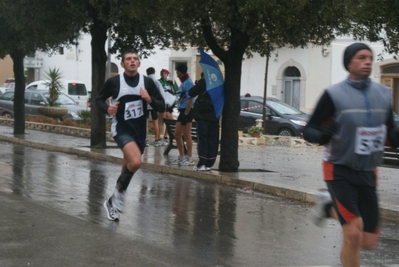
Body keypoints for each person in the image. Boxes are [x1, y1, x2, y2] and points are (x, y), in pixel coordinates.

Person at [303, 42, 399, 267]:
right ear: (348, 63)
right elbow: (309, 129)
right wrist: (322, 135)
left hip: (368, 172)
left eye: (370, 58)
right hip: (338, 169)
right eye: (361, 57)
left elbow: (389, 129)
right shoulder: (333, 95)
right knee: (353, 235)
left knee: (368, 241)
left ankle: (328, 206)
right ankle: (332, 204)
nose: (367, 61)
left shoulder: (384, 94)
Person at [96, 51, 165, 221]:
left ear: (139, 64)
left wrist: (149, 99)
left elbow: (162, 105)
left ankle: (113, 201)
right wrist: (107, 109)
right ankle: (118, 195)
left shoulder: (147, 82)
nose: (132, 61)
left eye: (135, 59)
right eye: (128, 59)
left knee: (127, 166)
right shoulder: (114, 82)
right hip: (121, 130)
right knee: (135, 162)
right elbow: (98, 99)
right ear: (122, 64)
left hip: (140, 133)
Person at [189, 72, 219, 171]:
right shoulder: (218, 83)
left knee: (202, 139)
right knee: (213, 139)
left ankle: (202, 163)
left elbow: (191, 92)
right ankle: (209, 163)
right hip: (215, 115)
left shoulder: (203, 82)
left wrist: (198, 83)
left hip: (203, 115)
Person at [171, 64, 195, 166]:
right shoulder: (182, 83)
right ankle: (182, 156)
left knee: (186, 134)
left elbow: (190, 98)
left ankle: (189, 157)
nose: (176, 73)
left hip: (187, 110)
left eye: (177, 71)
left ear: (181, 71)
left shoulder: (188, 82)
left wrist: (186, 113)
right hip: (181, 109)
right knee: (177, 134)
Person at [146, 67, 166, 147]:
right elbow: (162, 93)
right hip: (154, 104)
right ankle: (157, 139)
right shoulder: (157, 82)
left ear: (147, 73)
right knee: (155, 122)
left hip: (146, 104)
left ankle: (146, 140)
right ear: (154, 72)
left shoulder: (145, 81)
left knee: (145, 122)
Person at [158, 68, 177, 145]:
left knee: (170, 121)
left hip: (169, 104)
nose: (164, 75)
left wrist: (172, 84)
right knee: (161, 121)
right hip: (162, 104)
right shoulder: (159, 82)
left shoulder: (169, 83)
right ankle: (158, 138)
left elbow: (175, 92)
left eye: (165, 73)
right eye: (163, 73)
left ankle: (166, 137)